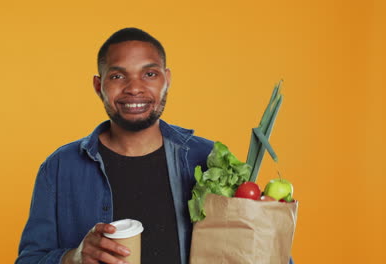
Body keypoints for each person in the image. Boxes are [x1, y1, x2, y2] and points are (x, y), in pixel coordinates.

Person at [15, 27, 294, 264]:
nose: (134, 88)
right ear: (99, 86)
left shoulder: (211, 162)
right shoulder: (61, 167)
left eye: (149, 74)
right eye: (117, 76)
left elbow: (260, 249)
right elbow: (29, 259)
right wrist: (74, 256)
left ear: (167, 80)